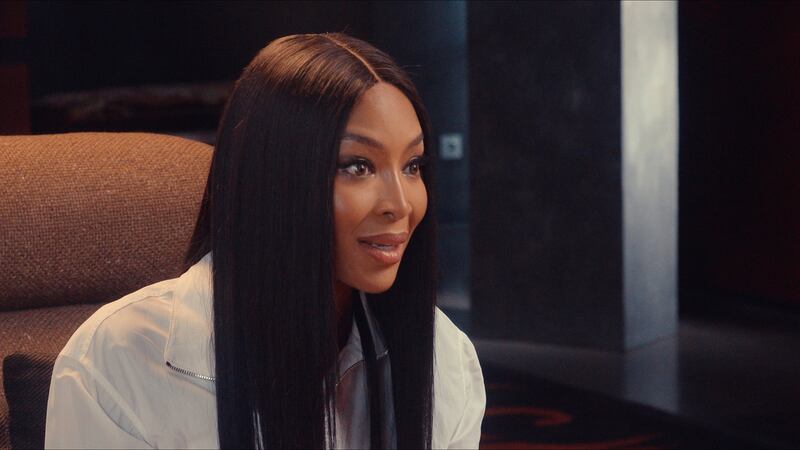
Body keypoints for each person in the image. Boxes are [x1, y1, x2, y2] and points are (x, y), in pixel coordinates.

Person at [44, 33, 485, 449]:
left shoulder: (444, 356)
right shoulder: (118, 361)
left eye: (412, 166)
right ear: (274, 177)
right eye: (357, 166)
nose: (401, 204)